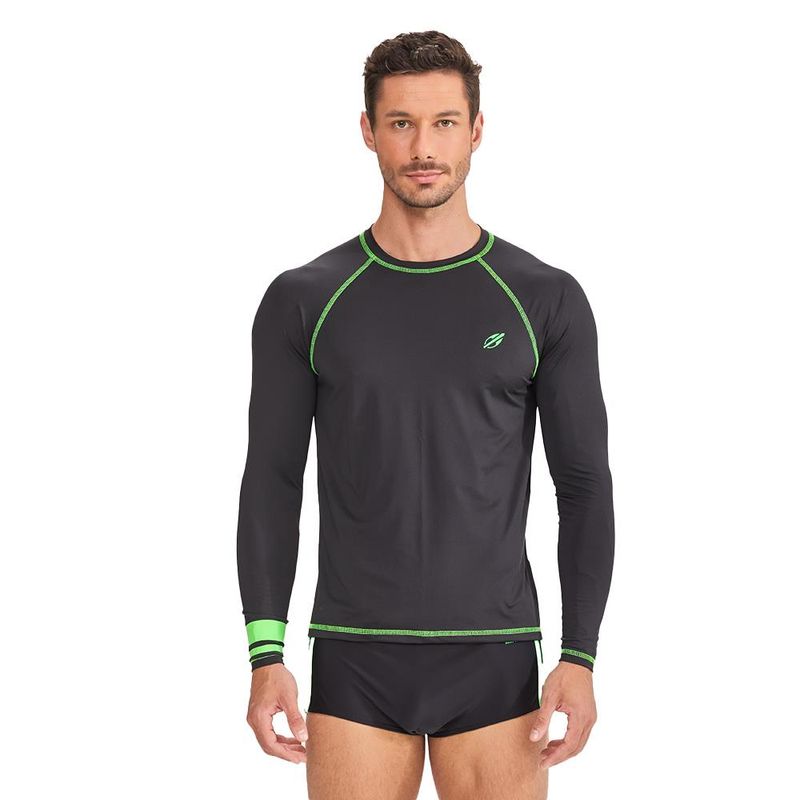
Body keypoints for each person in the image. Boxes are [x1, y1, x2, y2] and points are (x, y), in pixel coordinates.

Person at [236, 30, 615, 800]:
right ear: (368, 131)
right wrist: (265, 654)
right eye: (401, 123)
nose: (423, 147)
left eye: (444, 122)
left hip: (494, 655)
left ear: (476, 130)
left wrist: (579, 656)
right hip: (355, 655)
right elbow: (272, 481)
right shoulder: (306, 299)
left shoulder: (542, 297)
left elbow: (583, 486)